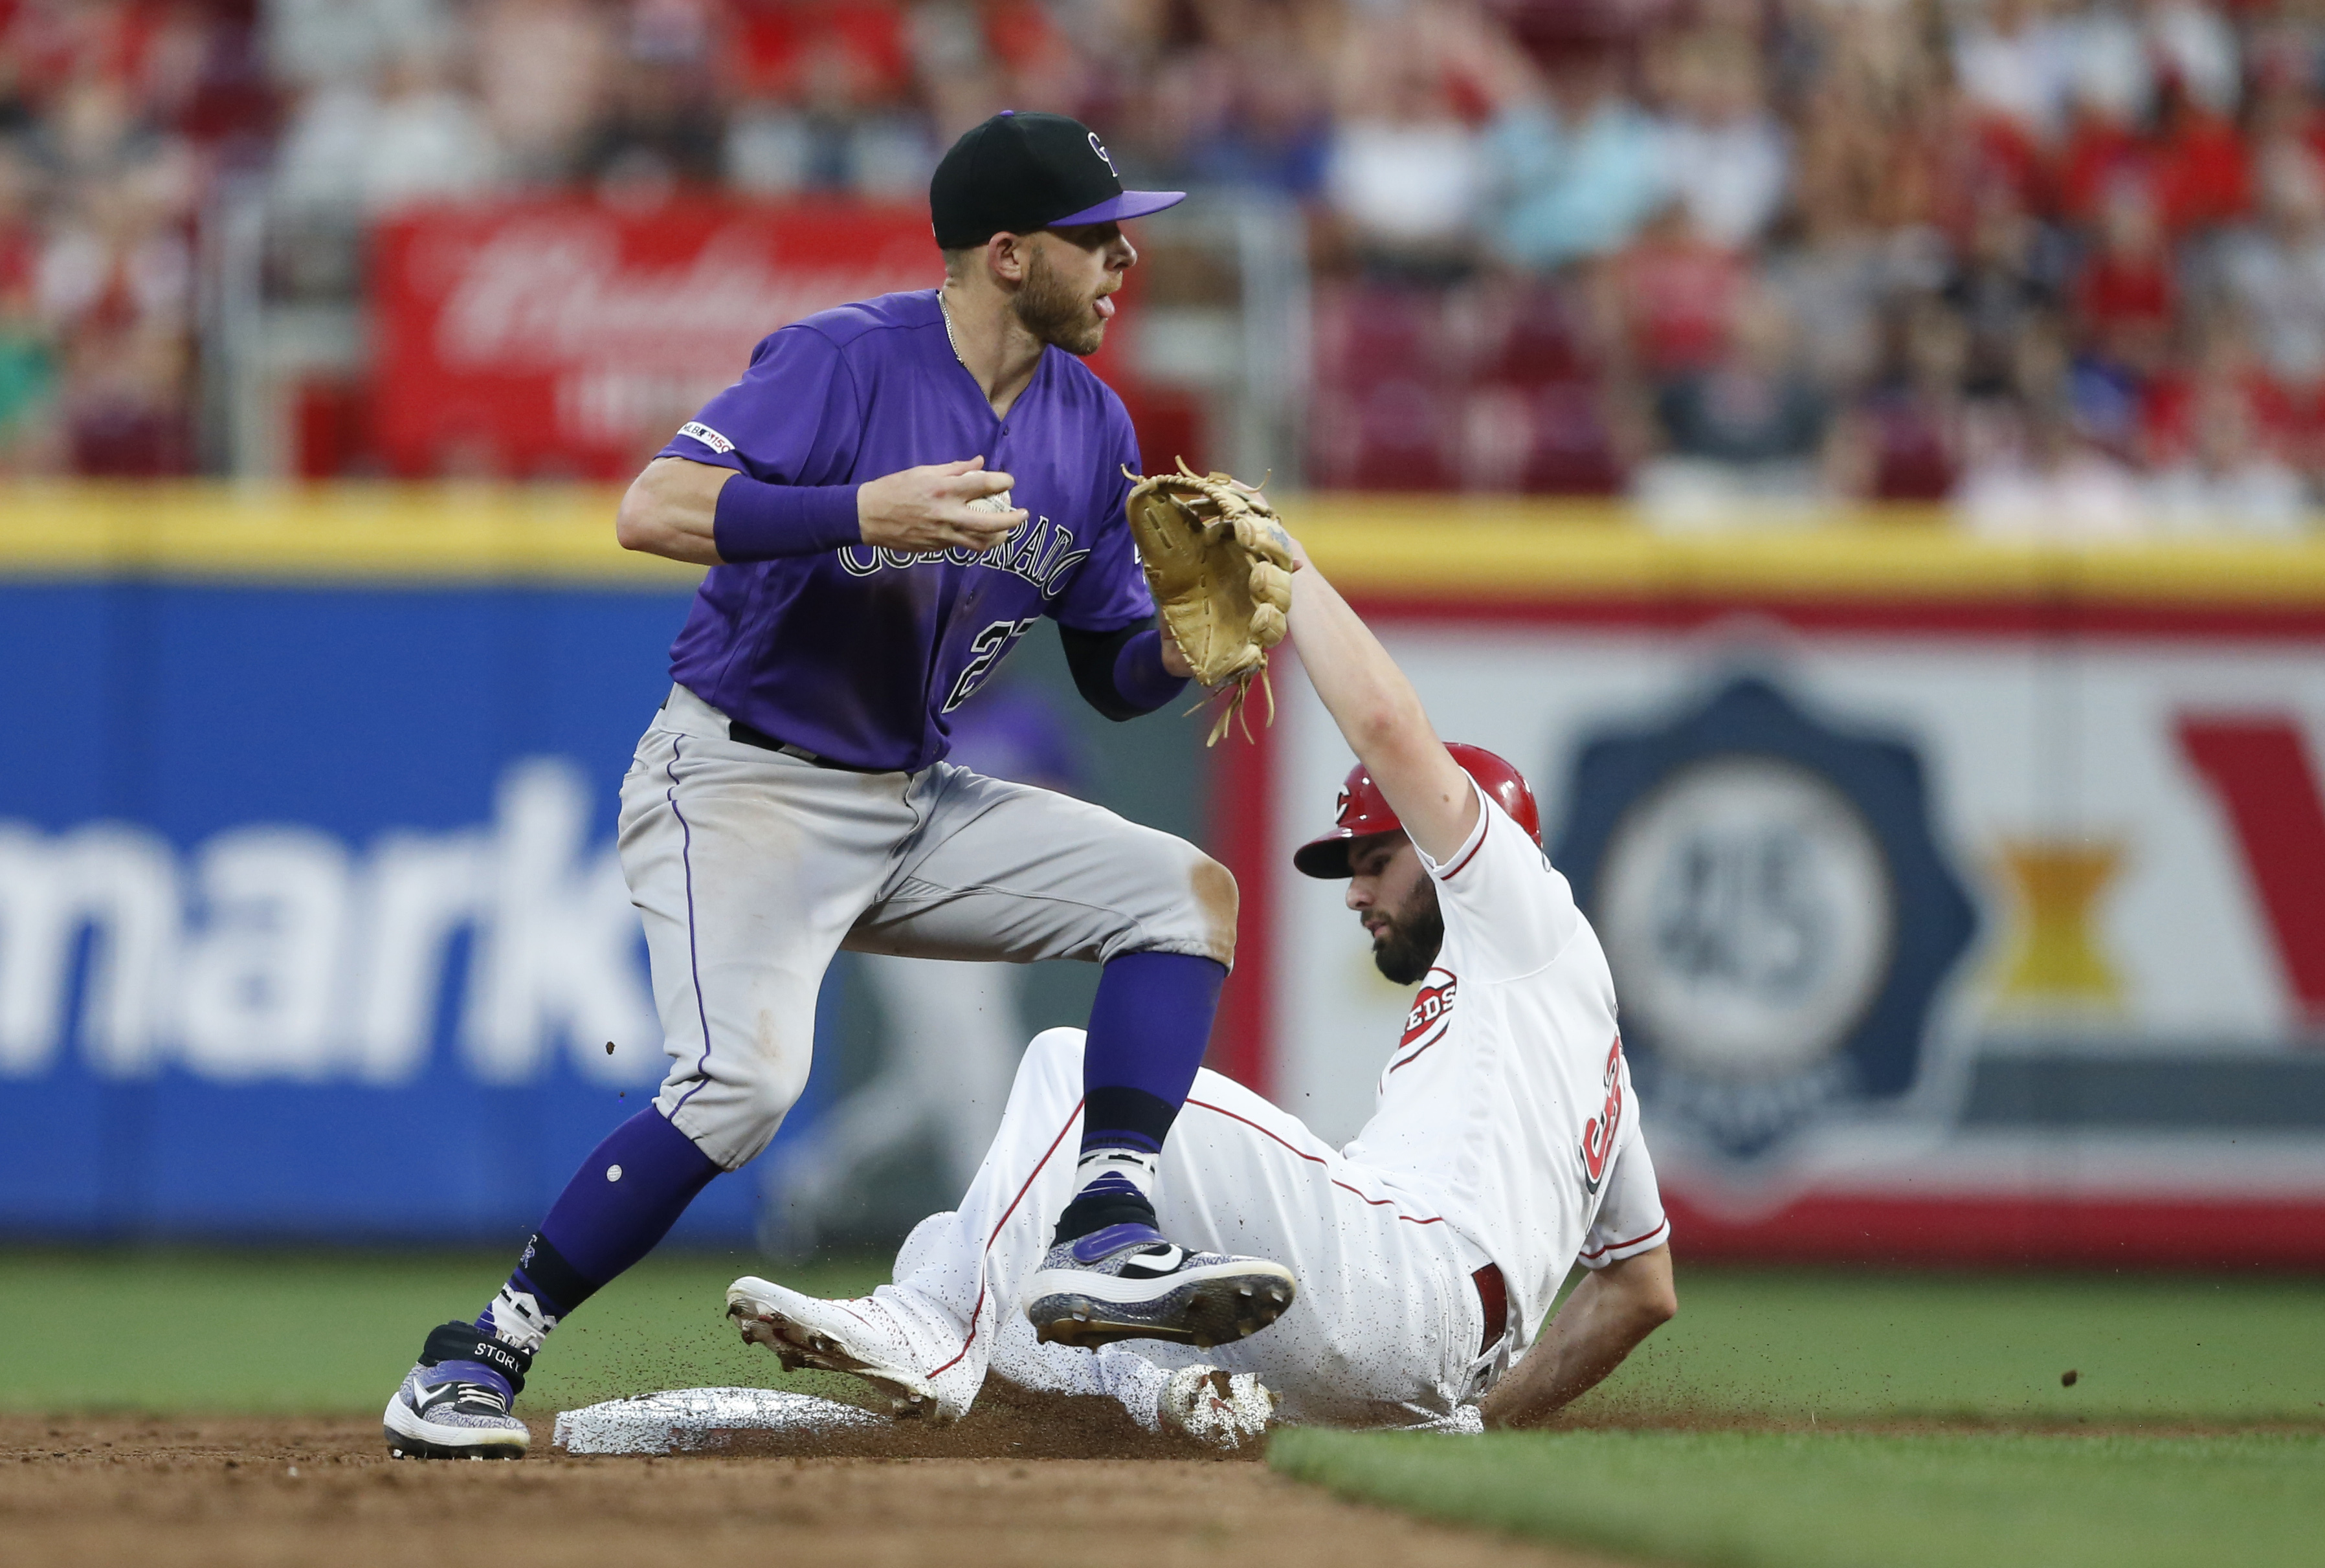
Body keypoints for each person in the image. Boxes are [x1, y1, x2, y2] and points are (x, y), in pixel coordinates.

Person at [382, 110, 1296, 1461]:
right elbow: (653, 508)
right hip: (739, 781)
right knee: (741, 1093)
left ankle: (1105, 1222)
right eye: (1097, 241)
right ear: (1004, 254)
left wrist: (1182, 648)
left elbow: (1110, 672)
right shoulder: (844, 361)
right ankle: (478, 1354)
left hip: (907, 798)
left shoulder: (1087, 423)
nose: (1122, 267)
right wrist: (857, 510)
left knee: (1180, 895)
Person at [724, 536, 1676, 1439]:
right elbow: (1641, 1288)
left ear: (1457, 852)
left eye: (1376, 860)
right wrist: (1480, 1418)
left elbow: (1387, 724)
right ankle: (1167, 1393)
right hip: (1415, 1348)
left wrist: (1287, 559)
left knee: (1069, 1067)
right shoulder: (1586, 1056)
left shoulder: (1521, 905)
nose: (1354, 890)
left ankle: (932, 1332)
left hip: (1411, 1279)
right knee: (968, 1253)